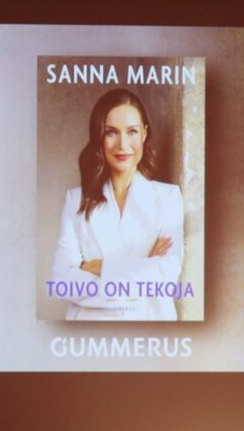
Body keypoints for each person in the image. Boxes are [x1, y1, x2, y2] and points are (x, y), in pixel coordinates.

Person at [52, 87, 186, 321]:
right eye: (111, 132)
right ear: (99, 137)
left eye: (132, 131)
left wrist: (98, 267)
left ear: (144, 134)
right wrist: (144, 267)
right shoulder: (76, 200)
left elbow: (165, 277)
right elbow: (63, 281)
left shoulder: (168, 198)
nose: (123, 144)